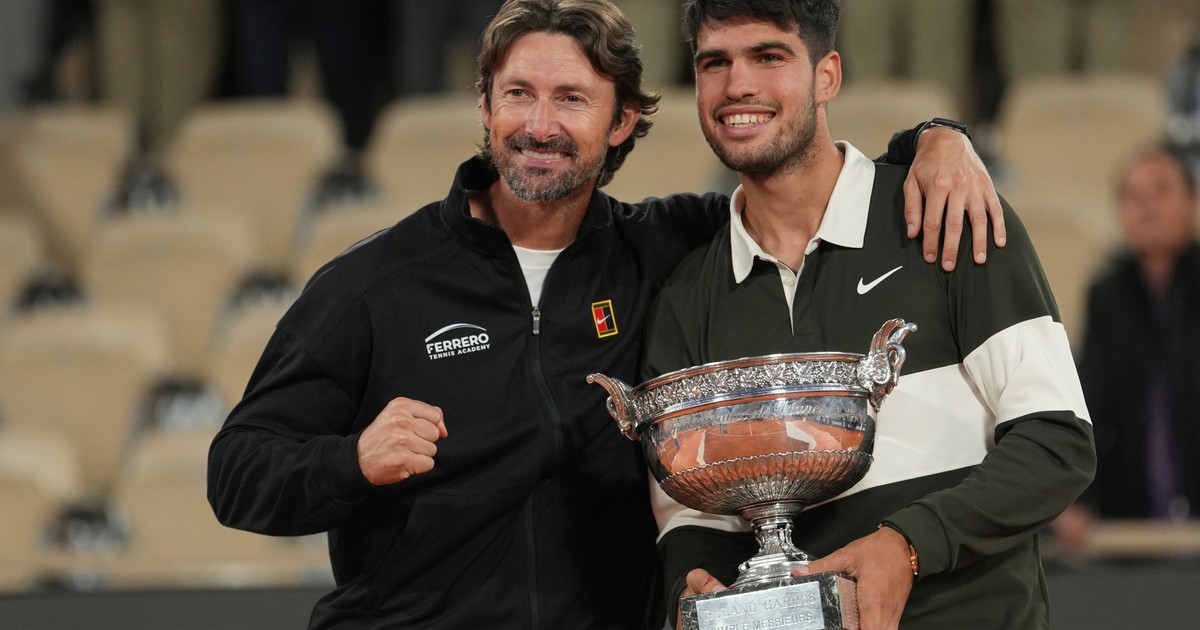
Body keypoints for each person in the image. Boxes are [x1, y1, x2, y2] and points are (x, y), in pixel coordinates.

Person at [206, 0, 1005, 627]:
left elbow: (809, 179)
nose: (539, 126)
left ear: (621, 121)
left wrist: (936, 139)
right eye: (517, 94)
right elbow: (236, 470)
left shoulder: (667, 248)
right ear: (484, 107)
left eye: (571, 99)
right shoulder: (374, 283)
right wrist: (350, 461)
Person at [637, 2, 1096, 629]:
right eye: (714, 63)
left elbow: (1057, 441)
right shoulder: (686, 296)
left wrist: (908, 545)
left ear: (827, 75)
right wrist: (695, 582)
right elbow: (695, 517)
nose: (737, 85)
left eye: (768, 57)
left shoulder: (950, 213)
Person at [1076, 145, 1200, 522]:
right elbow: (1090, 401)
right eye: (1133, 196)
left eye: (1161, 190)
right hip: (1128, 514)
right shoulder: (1106, 294)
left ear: (1193, 201)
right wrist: (1079, 498)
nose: (1147, 206)